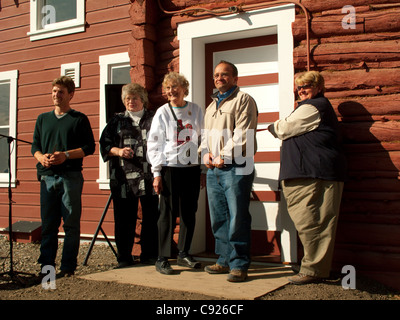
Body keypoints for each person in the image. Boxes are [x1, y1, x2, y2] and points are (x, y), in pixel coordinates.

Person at [267, 70, 347, 285]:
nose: (301, 90)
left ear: (319, 87)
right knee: (314, 222)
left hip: (313, 174)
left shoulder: (314, 106)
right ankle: (316, 268)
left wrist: (273, 126)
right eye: (299, 87)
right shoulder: (312, 107)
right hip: (311, 173)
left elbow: (284, 128)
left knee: (312, 222)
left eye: (307, 85)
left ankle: (313, 270)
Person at [32, 76, 95, 277]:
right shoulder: (43, 118)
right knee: (49, 224)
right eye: (54, 91)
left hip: (70, 177)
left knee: (70, 224)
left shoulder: (79, 119)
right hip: (47, 178)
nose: (56, 95)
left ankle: (68, 268)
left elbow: (89, 148)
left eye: (60, 92)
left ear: (71, 95)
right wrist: (41, 158)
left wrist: (65, 155)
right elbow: (35, 146)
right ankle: (47, 269)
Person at [201, 61, 258, 282]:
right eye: (216, 75)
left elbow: (243, 134)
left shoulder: (243, 100)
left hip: (236, 167)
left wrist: (222, 156)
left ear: (235, 78)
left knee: (238, 217)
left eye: (225, 75)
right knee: (219, 218)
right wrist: (205, 153)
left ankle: (239, 264)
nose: (219, 78)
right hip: (214, 169)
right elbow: (206, 136)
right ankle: (223, 260)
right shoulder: (211, 105)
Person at [147, 72, 204, 275]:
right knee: (167, 214)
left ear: (184, 88)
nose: (171, 91)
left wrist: (203, 168)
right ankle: (162, 257)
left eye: (175, 87)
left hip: (192, 168)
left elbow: (203, 139)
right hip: (170, 168)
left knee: (189, 212)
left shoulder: (195, 110)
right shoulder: (162, 112)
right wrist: (156, 173)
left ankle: (184, 253)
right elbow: (154, 144)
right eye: (168, 88)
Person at [99, 83, 159, 268]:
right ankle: (124, 257)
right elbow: (104, 145)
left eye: (134, 98)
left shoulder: (154, 118)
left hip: (150, 177)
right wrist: (118, 151)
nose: (130, 102)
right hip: (123, 179)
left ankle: (149, 255)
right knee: (124, 219)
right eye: (127, 99)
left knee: (151, 217)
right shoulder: (116, 121)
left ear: (143, 100)